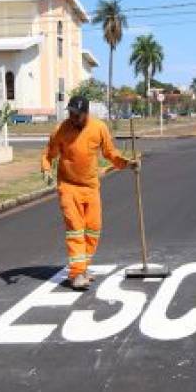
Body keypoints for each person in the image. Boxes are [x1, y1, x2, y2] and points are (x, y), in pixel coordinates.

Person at [41, 95, 138, 290]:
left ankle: (83, 267)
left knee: (93, 229)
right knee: (75, 230)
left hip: (91, 187)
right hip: (68, 187)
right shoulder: (61, 130)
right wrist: (46, 170)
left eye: (77, 114)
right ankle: (76, 274)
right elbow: (48, 154)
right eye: (70, 113)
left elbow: (110, 153)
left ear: (86, 113)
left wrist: (126, 163)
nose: (72, 117)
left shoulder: (99, 128)